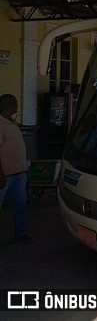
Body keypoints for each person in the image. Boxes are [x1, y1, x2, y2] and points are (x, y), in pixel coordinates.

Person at [0, 94, 32, 243]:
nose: (17, 105)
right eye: (16, 103)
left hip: (19, 173)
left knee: (20, 204)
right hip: (5, 174)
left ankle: (21, 232)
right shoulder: (0, 124)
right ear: (8, 106)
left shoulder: (11, 122)